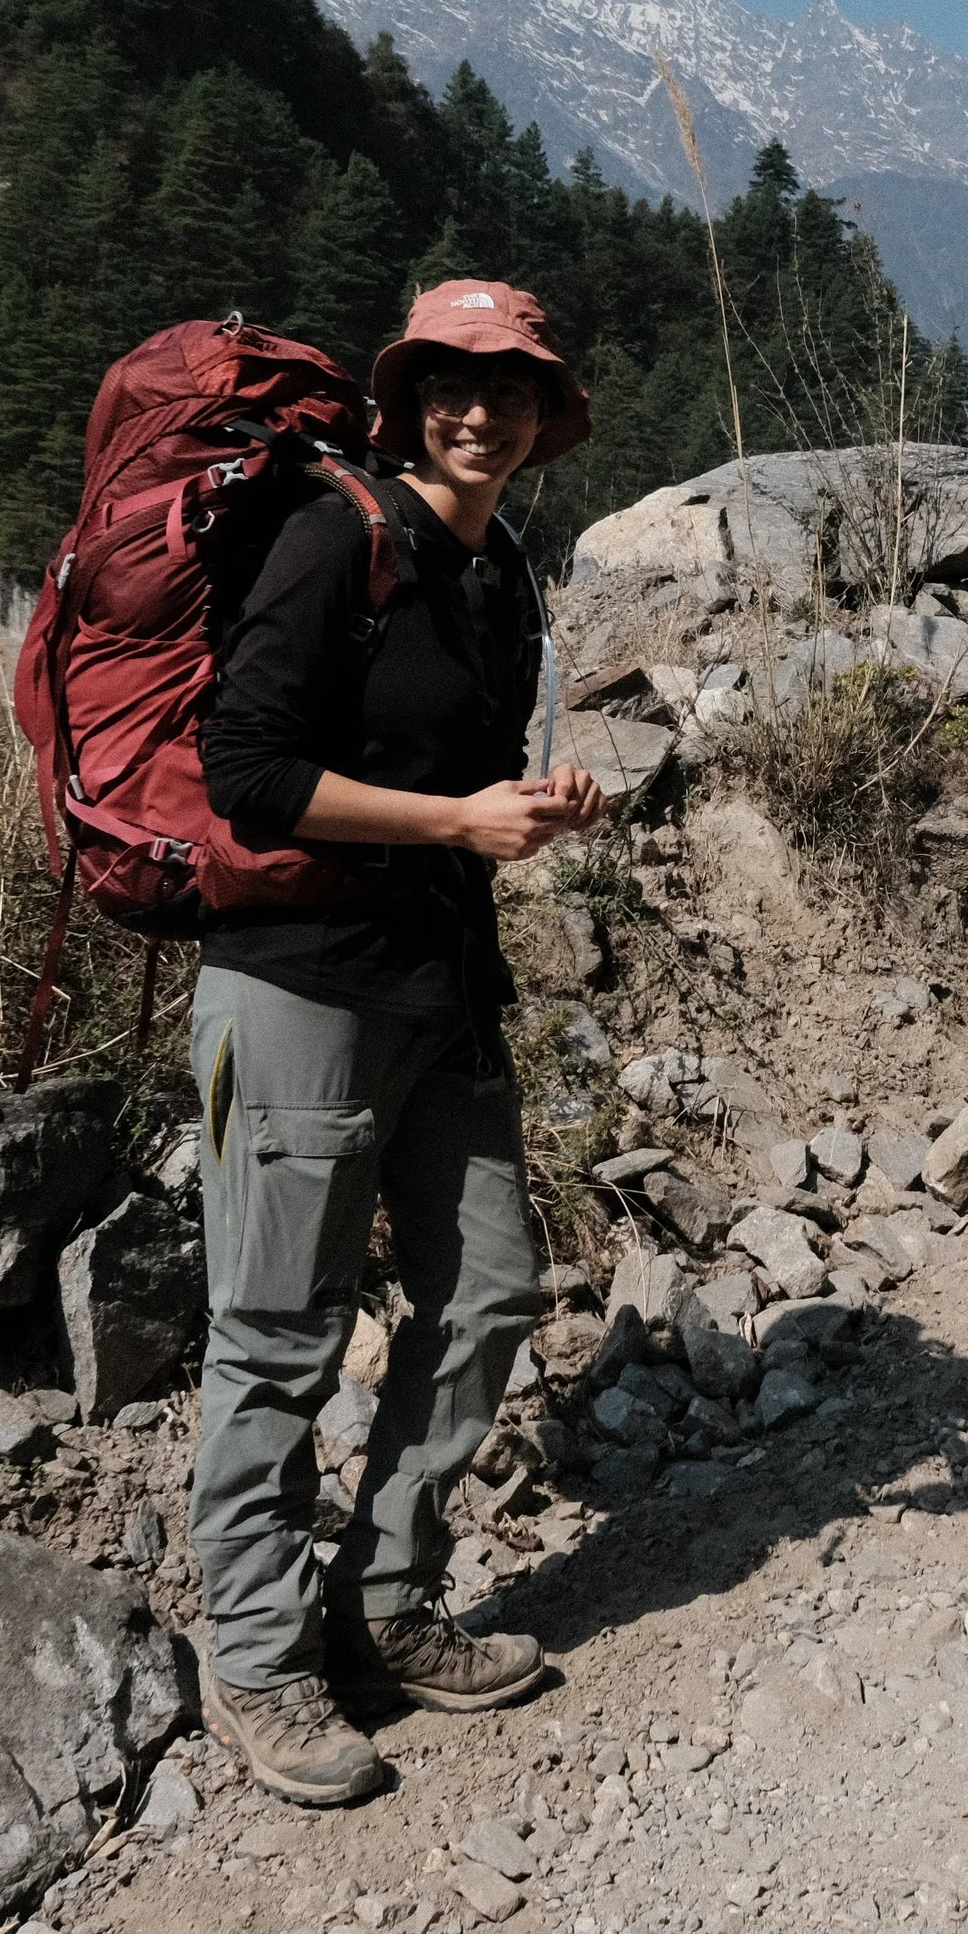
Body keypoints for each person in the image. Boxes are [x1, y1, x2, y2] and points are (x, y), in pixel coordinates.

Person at [189, 279, 606, 1805]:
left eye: (508, 391)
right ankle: (257, 1658)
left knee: (488, 1288)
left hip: (439, 987)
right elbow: (246, 773)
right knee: (280, 1332)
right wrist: (453, 819)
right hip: (297, 988)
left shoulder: (500, 572)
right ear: (408, 394)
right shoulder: (335, 537)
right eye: (451, 383)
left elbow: (465, 787)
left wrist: (527, 819)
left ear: (545, 418)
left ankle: (380, 1606)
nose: (478, 411)